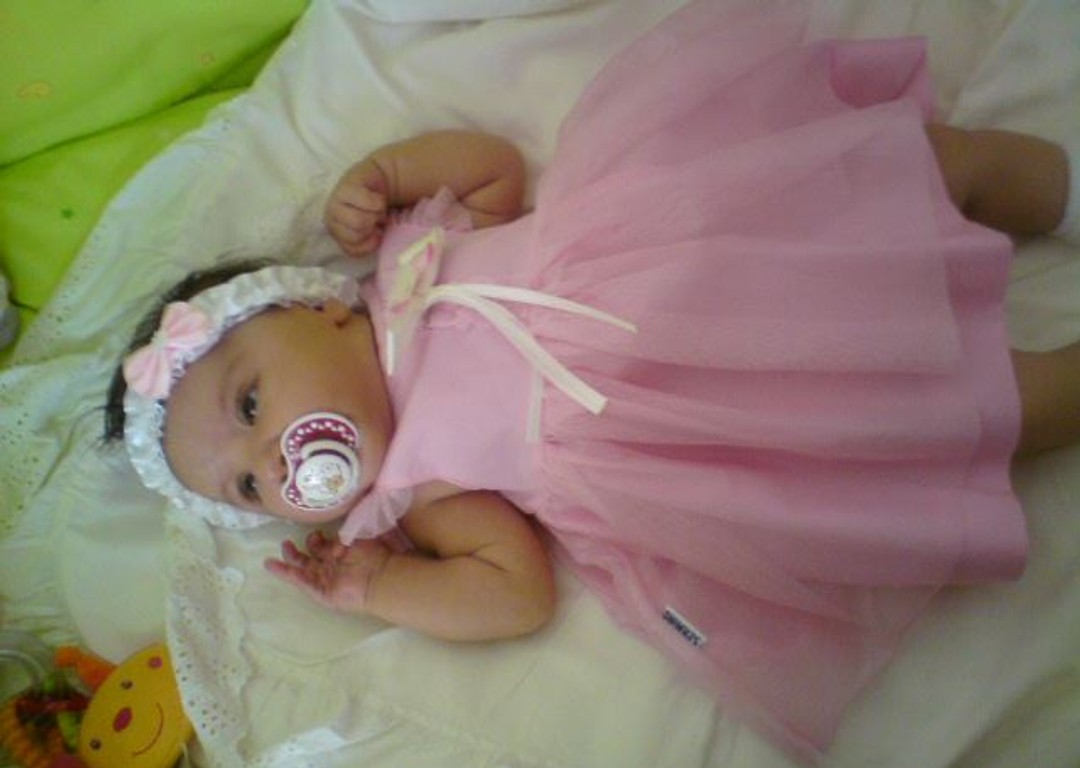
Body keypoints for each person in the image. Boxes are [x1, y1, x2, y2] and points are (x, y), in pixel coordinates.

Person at [103, 0, 1080, 758]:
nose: (273, 458)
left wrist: (391, 173)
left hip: (690, 248)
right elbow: (515, 594)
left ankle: (1052, 184)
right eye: (247, 485)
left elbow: (493, 172)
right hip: (707, 413)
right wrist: (384, 584)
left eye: (250, 403)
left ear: (314, 306)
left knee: (894, 168)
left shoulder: (409, 261)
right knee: (956, 416)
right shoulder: (418, 494)